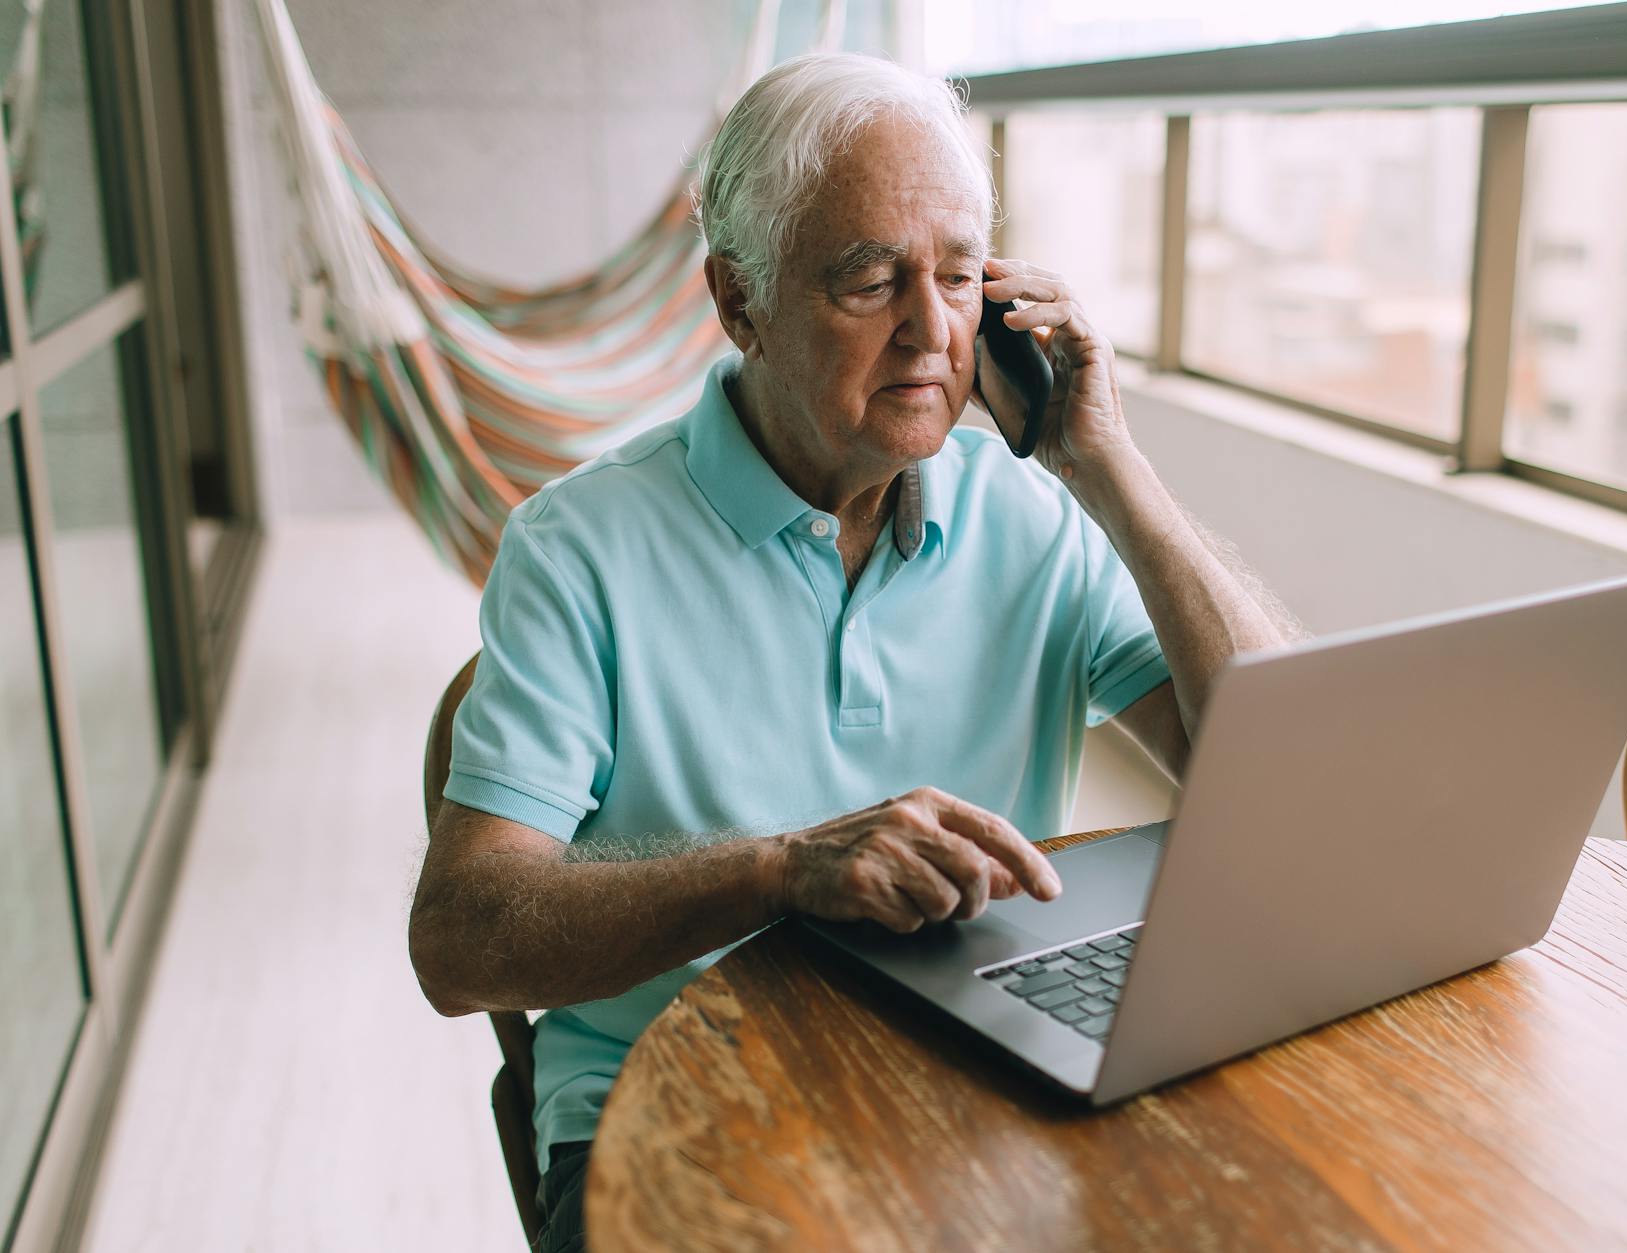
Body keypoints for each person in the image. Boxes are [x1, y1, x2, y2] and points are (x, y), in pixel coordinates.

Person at [409, 50, 1299, 1253]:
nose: (931, 331)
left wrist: (1112, 473)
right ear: (740, 302)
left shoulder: (1035, 511)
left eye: (957, 275)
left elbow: (1279, 779)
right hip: (678, 1107)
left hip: (973, 1074)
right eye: (871, 280)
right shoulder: (577, 549)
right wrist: (779, 871)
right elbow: (462, 941)